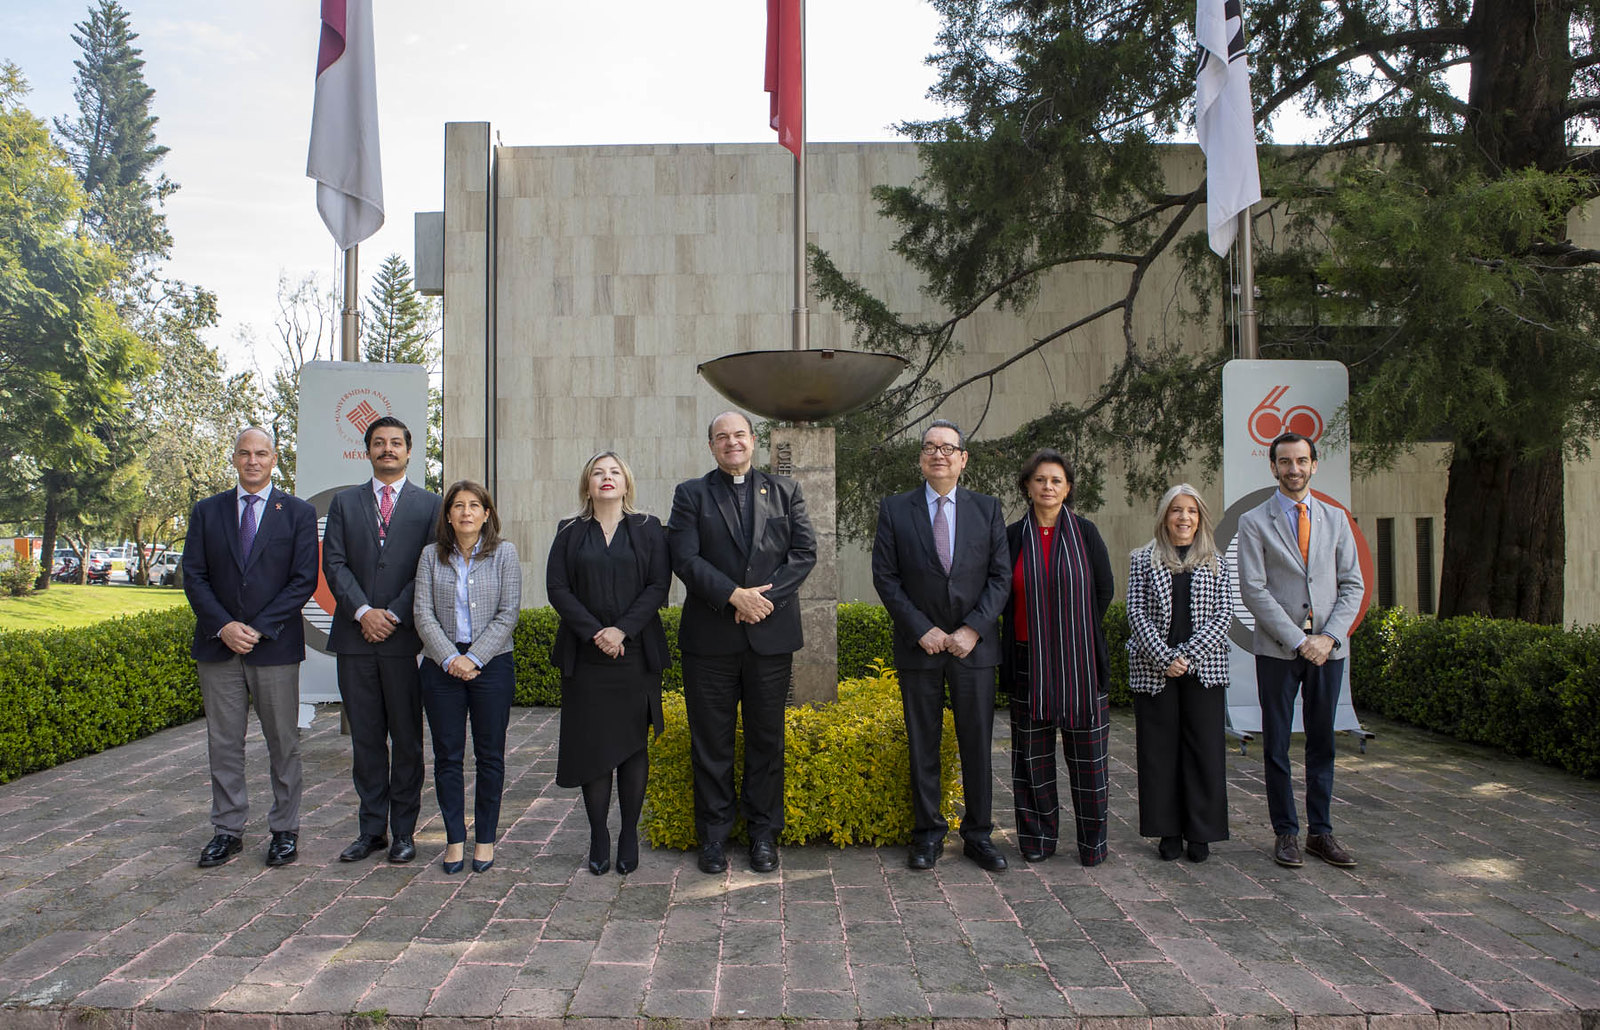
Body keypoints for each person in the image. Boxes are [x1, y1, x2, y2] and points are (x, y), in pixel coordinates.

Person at [668, 411, 816, 875]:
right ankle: (712, 837)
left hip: (770, 639)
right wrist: (732, 595)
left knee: (766, 741)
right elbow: (684, 557)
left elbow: (804, 553)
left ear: (754, 441)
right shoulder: (691, 494)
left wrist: (760, 602)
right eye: (721, 437)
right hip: (709, 640)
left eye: (739, 435)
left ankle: (763, 835)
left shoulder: (786, 491)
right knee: (710, 741)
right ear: (711, 446)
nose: (731, 443)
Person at [871, 419, 1011, 872]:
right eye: (930, 447)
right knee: (923, 744)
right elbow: (886, 577)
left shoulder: (987, 509)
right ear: (920, 458)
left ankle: (978, 835)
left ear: (963, 458)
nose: (939, 455)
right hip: (921, 648)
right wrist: (921, 629)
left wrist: (973, 629)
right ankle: (928, 834)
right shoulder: (895, 509)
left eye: (948, 448)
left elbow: (1000, 577)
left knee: (977, 744)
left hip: (974, 649)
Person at [181, 428, 318, 868]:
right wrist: (223, 626)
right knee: (223, 743)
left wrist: (256, 628)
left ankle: (284, 830)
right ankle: (227, 829)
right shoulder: (207, 511)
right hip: (218, 646)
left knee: (283, 741)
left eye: (261, 454)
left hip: (273, 645)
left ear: (274, 459)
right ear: (234, 458)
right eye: (245, 453)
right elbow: (194, 576)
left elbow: (303, 580)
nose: (253, 461)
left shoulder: (297, 513)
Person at [1236, 432, 1364, 870]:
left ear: (1314, 464)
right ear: (1273, 467)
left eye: (1302, 461)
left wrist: (1327, 639)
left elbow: (1354, 585)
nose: (1294, 469)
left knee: (1323, 741)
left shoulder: (1336, 519)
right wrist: (1298, 640)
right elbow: (1253, 590)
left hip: (1329, 651)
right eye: (1285, 462)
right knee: (1276, 744)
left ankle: (1321, 833)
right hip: (1279, 651)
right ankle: (1286, 833)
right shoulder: (1254, 522)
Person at [322, 416, 443, 865]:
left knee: (408, 741)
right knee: (367, 741)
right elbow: (334, 563)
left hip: (404, 641)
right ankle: (370, 830)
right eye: (379, 443)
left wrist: (391, 612)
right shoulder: (344, 503)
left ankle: (404, 833)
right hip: (355, 640)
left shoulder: (431, 505)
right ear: (367, 451)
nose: (387, 449)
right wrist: (362, 611)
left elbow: (429, 567)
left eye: (395, 443)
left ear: (410, 451)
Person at [548, 452, 671, 876]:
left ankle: (628, 833)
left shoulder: (649, 528)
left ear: (626, 483)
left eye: (614, 472)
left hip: (635, 655)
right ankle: (599, 833)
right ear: (587, 484)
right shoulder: (569, 531)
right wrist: (596, 633)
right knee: (594, 747)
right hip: (586, 658)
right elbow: (557, 587)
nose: (606, 478)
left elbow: (658, 585)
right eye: (598, 473)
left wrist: (621, 630)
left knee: (633, 746)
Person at [998, 449, 1115, 866]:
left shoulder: (1086, 533)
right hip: (1028, 662)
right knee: (1032, 760)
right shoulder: (1011, 537)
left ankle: (1092, 844)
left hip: (1079, 663)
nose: (1048, 487)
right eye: (1041, 480)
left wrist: (1069, 636)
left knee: (1090, 763)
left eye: (1057, 481)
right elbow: (1000, 595)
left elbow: (1103, 590)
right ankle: (1037, 840)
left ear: (1068, 489)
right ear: (1028, 486)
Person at [413, 480, 522, 873]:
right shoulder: (430, 556)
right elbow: (422, 614)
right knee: (448, 757)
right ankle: (455, 839)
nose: (465, 512)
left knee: (490, 756)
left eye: (474, 505)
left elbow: (509, 612)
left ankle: (486, 839)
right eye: (457, 505)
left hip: (491, 665)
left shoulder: (504, 553)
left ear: (486, 513)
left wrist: (474, 657)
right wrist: (450, 658)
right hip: (441, 667)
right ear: (448, 515)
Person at [1126, 484, 1232, 863]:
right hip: (1155, 671)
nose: (1183, 517)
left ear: (1200, 517)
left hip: (1203, 670)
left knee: (1204, 753)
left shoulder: (1217, 561)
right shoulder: (1142, 559)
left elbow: (1224, 617)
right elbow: (1135, 613)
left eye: (1191, 510)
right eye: (1176, 510)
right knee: (1159, 754)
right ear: (1164, 517)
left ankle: (1200, 832)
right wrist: (1163, 657)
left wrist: (1186, 655)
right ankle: (1167, 831)